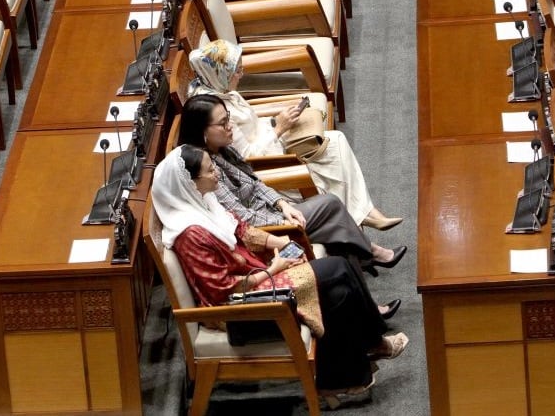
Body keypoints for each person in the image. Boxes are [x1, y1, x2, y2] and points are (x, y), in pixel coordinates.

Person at [151, 144, 409, 400]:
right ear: (190, 183)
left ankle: (342, 374)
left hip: (253, 278)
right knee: (337, 269)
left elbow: (242, 231)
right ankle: (372, 345)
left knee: (338, 288)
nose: (216, 173)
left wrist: (281, 242)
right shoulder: (190, 235)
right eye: (209, 171)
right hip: (237, 308)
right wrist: (273, 269)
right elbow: (223, 290)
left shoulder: (205, 202)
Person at [188, 38, 403, 230]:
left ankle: (365, 214)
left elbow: (252, 124)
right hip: (271, 163)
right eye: (236, 70)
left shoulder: (224, 90)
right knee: (334, 151)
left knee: (336, 140)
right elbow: (246, 158)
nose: (241, 74)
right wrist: (279, 128)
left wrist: (279, 120)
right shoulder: (216, 114)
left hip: (275, 141)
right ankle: (361, 219)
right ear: (219, 73)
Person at [178, 92, 408, 270]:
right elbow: (243, 220)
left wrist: (283, 204)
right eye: (223, 123)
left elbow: (256, 182)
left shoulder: (222, 150)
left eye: (229, 119)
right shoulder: (205, 171)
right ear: (203, 132)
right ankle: (371, 254)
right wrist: (281, 219)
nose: (230, 127)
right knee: (331, 206)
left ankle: (368, 268)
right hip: (263, 231)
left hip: (273, 211)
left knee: (333, 217)